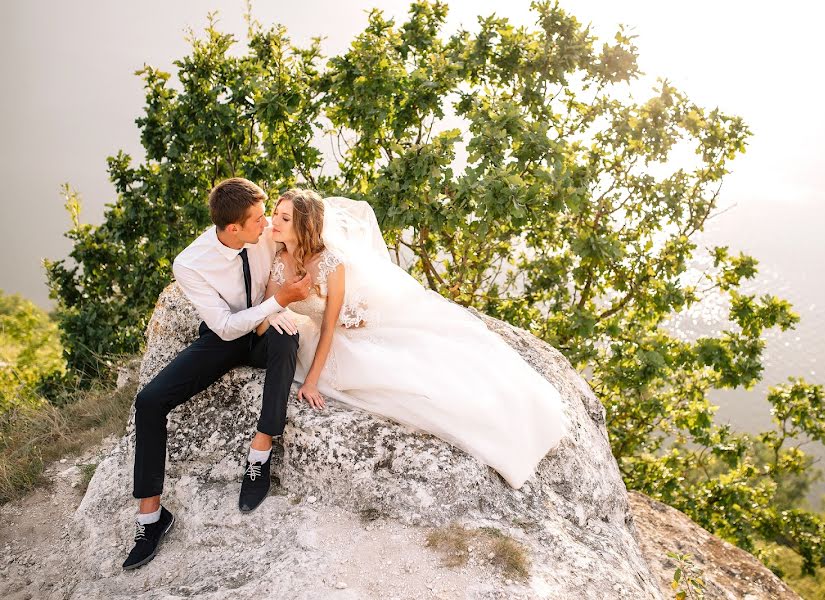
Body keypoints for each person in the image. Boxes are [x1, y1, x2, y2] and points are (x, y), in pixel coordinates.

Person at [257, 189, 564, 490]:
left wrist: (311, 381)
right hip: (313, 330)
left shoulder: (330, 263)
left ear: (305, 225)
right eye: (275, 214)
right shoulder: (279, 258)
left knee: (410, 374)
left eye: (285, 218)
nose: (275, 222)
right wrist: (273, 315)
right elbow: (268, 309)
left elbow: (329, 326)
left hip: (344, 330)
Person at [123, 178, 313, 570]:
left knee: (286, 338)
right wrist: (278, 302)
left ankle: (259, 454)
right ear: (232, 229)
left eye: (267, 218)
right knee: (149, 400)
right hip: (224, 336)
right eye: (259, 220)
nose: (267, 226)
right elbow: (225, 327)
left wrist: (278, 308)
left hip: (264, 329)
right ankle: (151, 518)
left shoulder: (265, 232)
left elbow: (304, 237)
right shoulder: (190, 263)